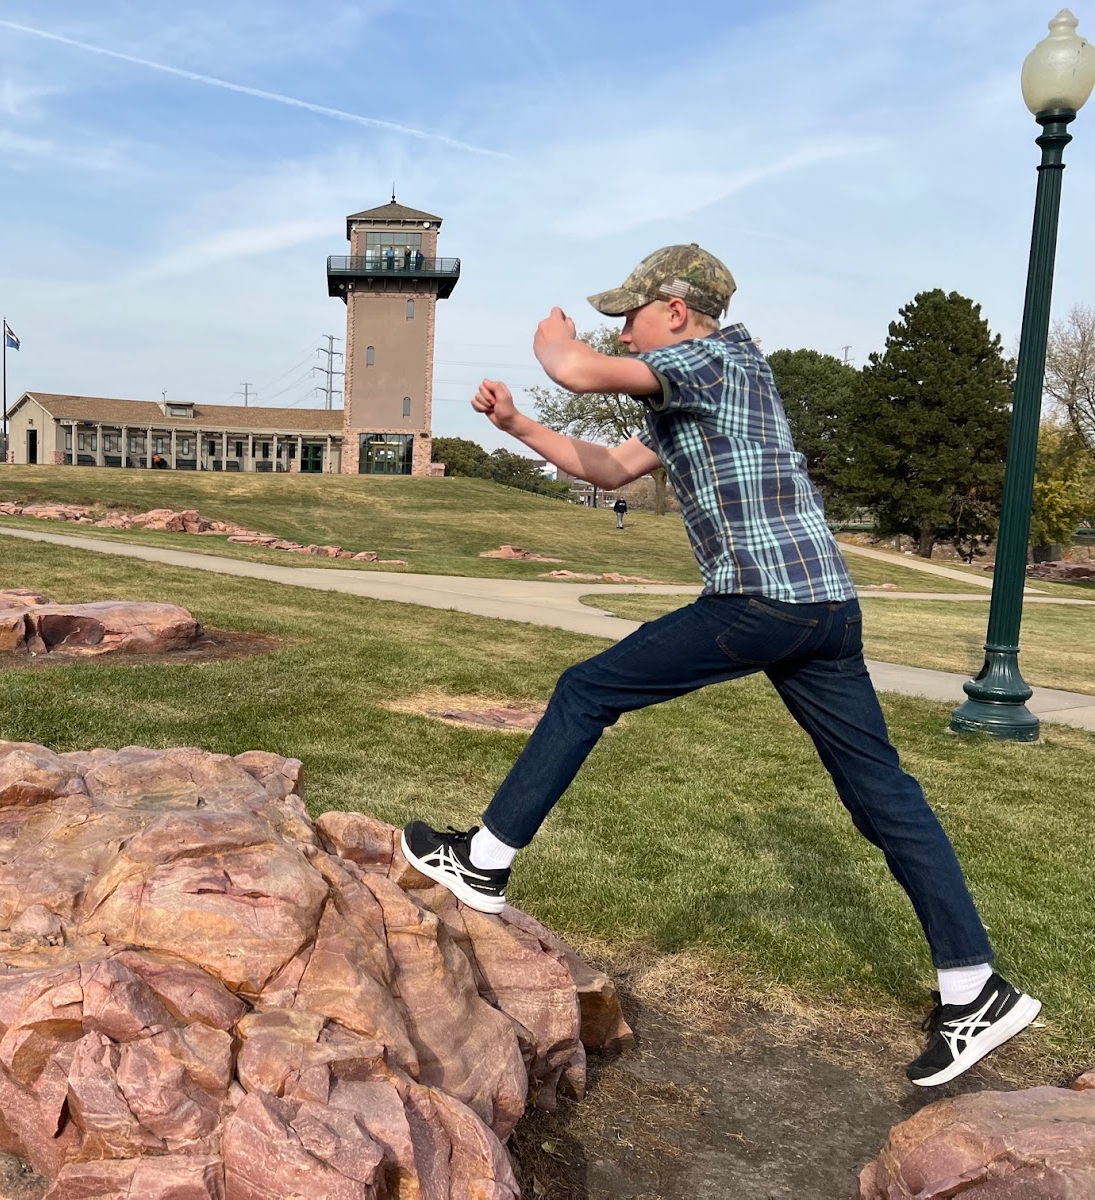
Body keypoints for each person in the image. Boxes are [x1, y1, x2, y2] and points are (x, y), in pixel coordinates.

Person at [401, 244, 1040, 1088]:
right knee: (881, 793)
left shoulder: (715, 357)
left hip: (761, 604)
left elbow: (576, 366)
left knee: (586, 689)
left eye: (629, 315)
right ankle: (975, 987)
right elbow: (609, 468)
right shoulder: (694, 392)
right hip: (823, 613)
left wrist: (553, 342)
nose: (620, 331)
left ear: (676, 310)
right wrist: (519, 426)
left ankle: (483, 860)